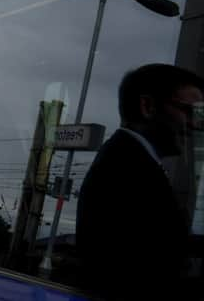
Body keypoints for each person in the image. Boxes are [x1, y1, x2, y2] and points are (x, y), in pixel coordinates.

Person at [76, 63, 203, 300]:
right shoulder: (126, 169)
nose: (195, 125)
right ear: (147, 106)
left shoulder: (130, 161)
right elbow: (143, 275)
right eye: (189, 112)